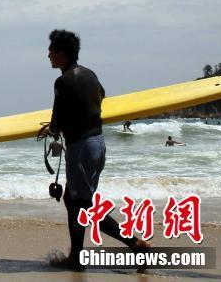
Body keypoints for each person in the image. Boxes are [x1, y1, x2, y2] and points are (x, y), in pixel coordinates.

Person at [45, 29, 150, 271]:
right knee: (74, 201)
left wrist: (52, 130)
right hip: (97, 145)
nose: (48, 55)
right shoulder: (90, 74)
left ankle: (136, 245)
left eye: (51, 51)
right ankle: (77, 257)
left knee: (83, 207)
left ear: (61, 54)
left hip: (80, 149)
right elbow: (100, 96)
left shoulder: (62, 81)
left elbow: (55, 123)